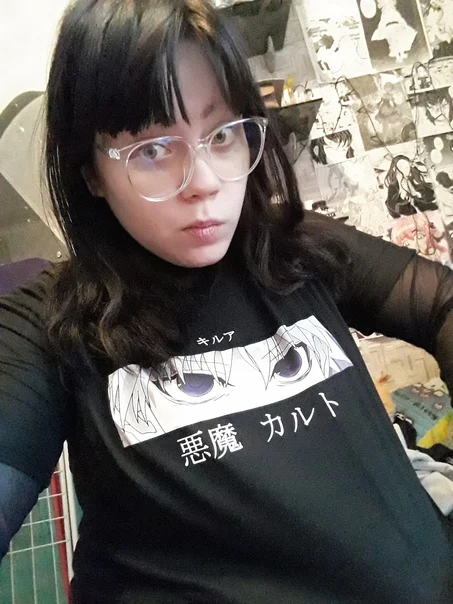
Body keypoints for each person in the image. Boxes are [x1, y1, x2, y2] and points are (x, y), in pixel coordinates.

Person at [0, 1, 453, 602]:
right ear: (90, 172)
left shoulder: (294, 245)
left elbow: (440, 304)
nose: (206, 181)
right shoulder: (48, 323)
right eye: (152, 149)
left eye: (222, 134)